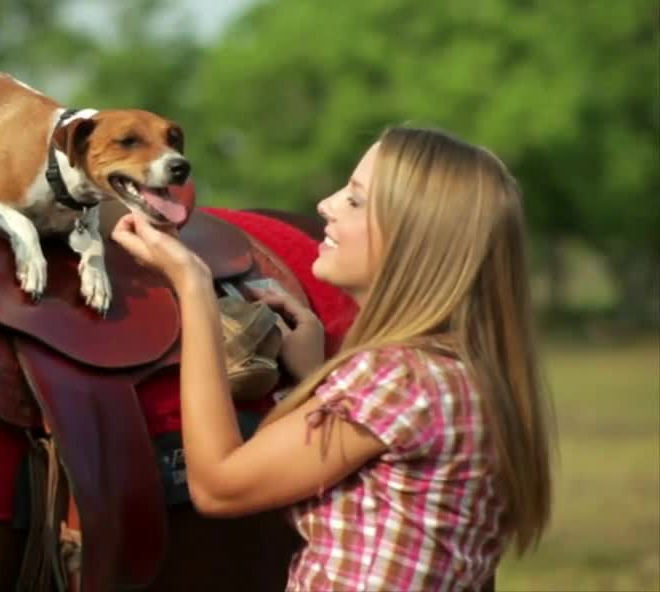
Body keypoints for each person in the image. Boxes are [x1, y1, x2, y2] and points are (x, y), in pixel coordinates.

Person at [111, 124, 553, 591]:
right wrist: (319, 375)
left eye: (356, 200)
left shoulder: (398, 376)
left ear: (413, 242)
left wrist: (192, 285)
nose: (326, 204)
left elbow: (219, 486)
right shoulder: (456, 372)